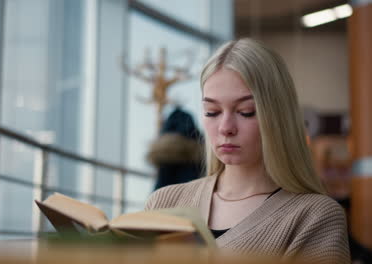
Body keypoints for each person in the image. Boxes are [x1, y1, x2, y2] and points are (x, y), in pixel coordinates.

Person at [144, 38, 350, 263]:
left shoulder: (314, 216)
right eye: (212, 112)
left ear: (278, 115)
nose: (225, 128)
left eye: (246, 111)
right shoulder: (164, 203)